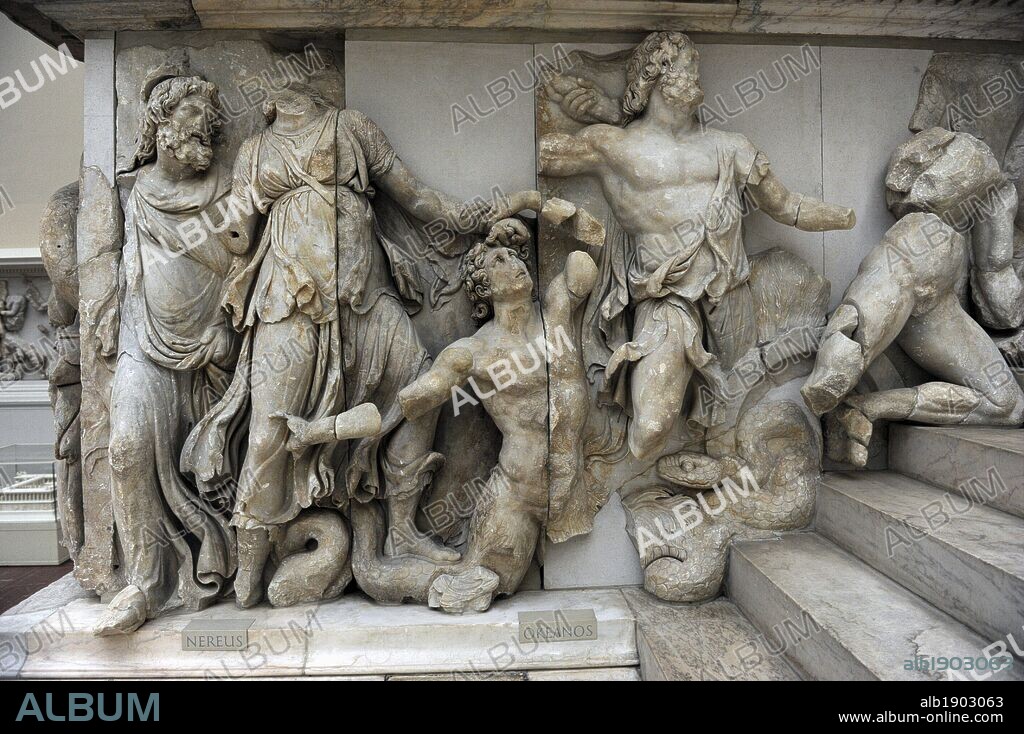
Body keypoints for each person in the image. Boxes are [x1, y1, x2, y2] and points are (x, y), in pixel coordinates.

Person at [541, 32, 856, 461]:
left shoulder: (731, 147)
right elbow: (546, 157)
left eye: (694, 64)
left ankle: (723, 476)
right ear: (654, 74)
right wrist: (602, 109)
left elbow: (788, 207)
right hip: (666, 298)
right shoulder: (613, 145)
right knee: (651, 427)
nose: (695, 73)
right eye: (686, 64)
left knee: (739, 404)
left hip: (729, 294)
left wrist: (845, 216)